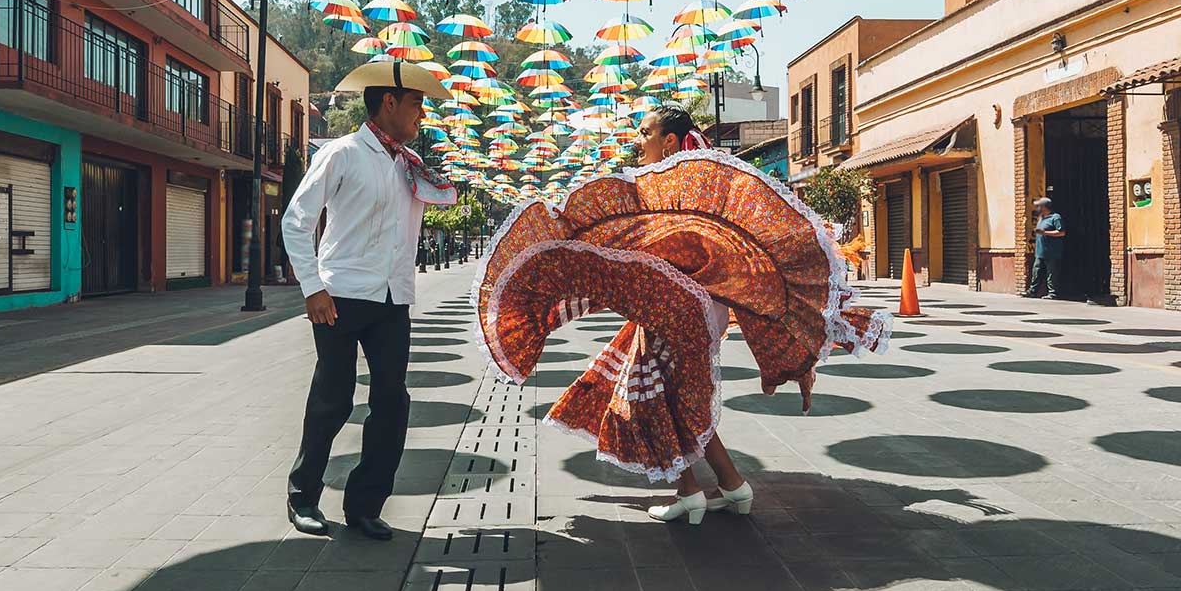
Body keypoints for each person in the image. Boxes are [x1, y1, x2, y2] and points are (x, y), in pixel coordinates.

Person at [475, 102, 891, 527]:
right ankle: (727, 485)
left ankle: (693, 491)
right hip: (688, 309)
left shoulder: (677, 192)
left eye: (645, 133)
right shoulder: (688, 190)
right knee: (671, 396)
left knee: (657, 397)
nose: (639, 143)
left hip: (681, 309)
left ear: (669, 140)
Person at [281, 61, 454, 541]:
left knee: (392, 404)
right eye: (416, 102)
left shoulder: (408, 166)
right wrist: (312, 287)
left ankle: (364, 504)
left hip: (393, 298)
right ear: (390, 102)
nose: (422, 112)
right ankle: (303, 497)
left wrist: (429, 173)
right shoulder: (342, 153)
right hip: (339, 296)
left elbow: (445, 202)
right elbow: (297, 220)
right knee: (332, 401)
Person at [1027, 194, 1066, 299]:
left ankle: (1052, 293)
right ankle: (1032, 291)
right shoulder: (1041, 218)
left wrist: (1044, 232)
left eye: (1039, 206)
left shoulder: (1055, 217)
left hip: (1052, 252)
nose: (1037, 208)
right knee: (1036, 271)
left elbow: (1061, 232)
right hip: (1040, 251)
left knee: (1051, 273)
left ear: (1044, 207)